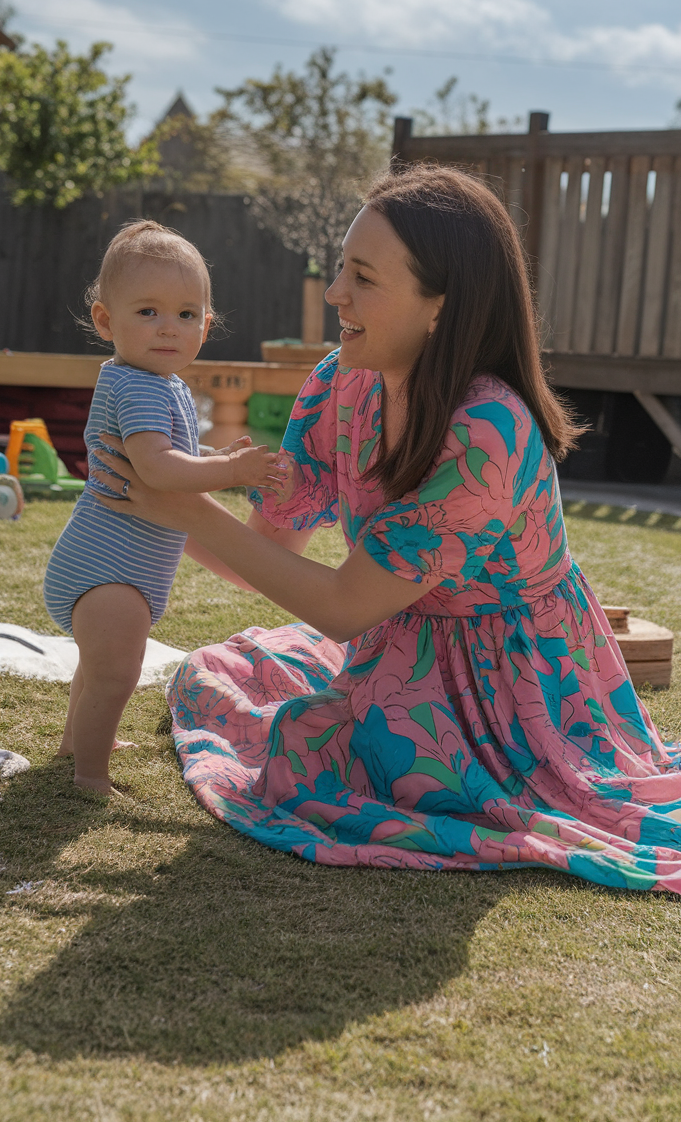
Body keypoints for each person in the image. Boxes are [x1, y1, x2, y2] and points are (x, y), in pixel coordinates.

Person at [92, 169, 681, 891]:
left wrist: (180, 508)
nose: (336, 292)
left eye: (362, 277)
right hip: (402, 643)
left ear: (443, 304)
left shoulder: (489, 428)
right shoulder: (345, 376)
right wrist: (149, 489)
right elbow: (266, 556)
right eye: (342, 268)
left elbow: (342, 608)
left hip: (517, 684)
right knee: (283, 723)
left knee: (331, 761)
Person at [44, 220, 282, 793]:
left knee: (100, 664)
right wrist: (229, 470)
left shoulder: (157, 381)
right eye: (147, 312)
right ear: (106, 320)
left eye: (186, 314)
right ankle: (89, 775)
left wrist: (211, 454)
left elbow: (170, 453)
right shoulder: (141, 385)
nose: (168, 329)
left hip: (110, 569)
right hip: (108, 572)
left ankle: (79, 741)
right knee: (116, 673)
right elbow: (154, 469)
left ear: (206, 322)